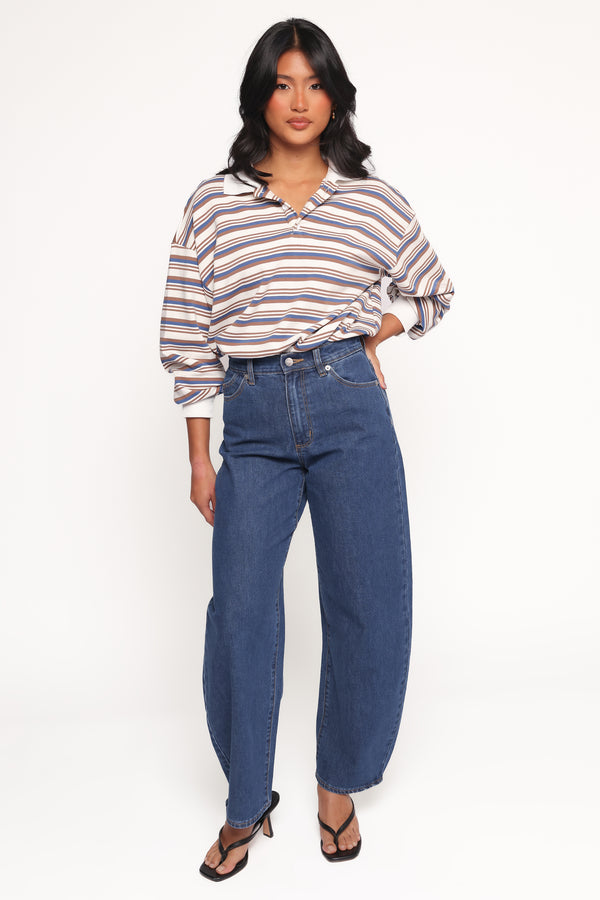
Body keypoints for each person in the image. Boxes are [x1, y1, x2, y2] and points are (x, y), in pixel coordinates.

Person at [160, 18, 454, 881]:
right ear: (260, 95)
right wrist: (200, 455)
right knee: (240, 611)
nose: (299, 101)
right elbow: (188, 335)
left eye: (315, 84)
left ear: (335, 97)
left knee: (369, 601)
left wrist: (376, 334)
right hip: (251, 416)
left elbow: (434, 290)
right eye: (284, 83)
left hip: (348, 404)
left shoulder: (370, 199)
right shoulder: (213, 203)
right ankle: (246, 800)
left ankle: (338, 786)